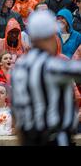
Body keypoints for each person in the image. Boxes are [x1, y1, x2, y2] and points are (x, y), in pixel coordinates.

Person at [11, 10, 81, 145]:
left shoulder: (19, 67)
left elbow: (15, 110)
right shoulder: (52, 66)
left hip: (28, 139)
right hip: (54, 138)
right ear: (49, 36)